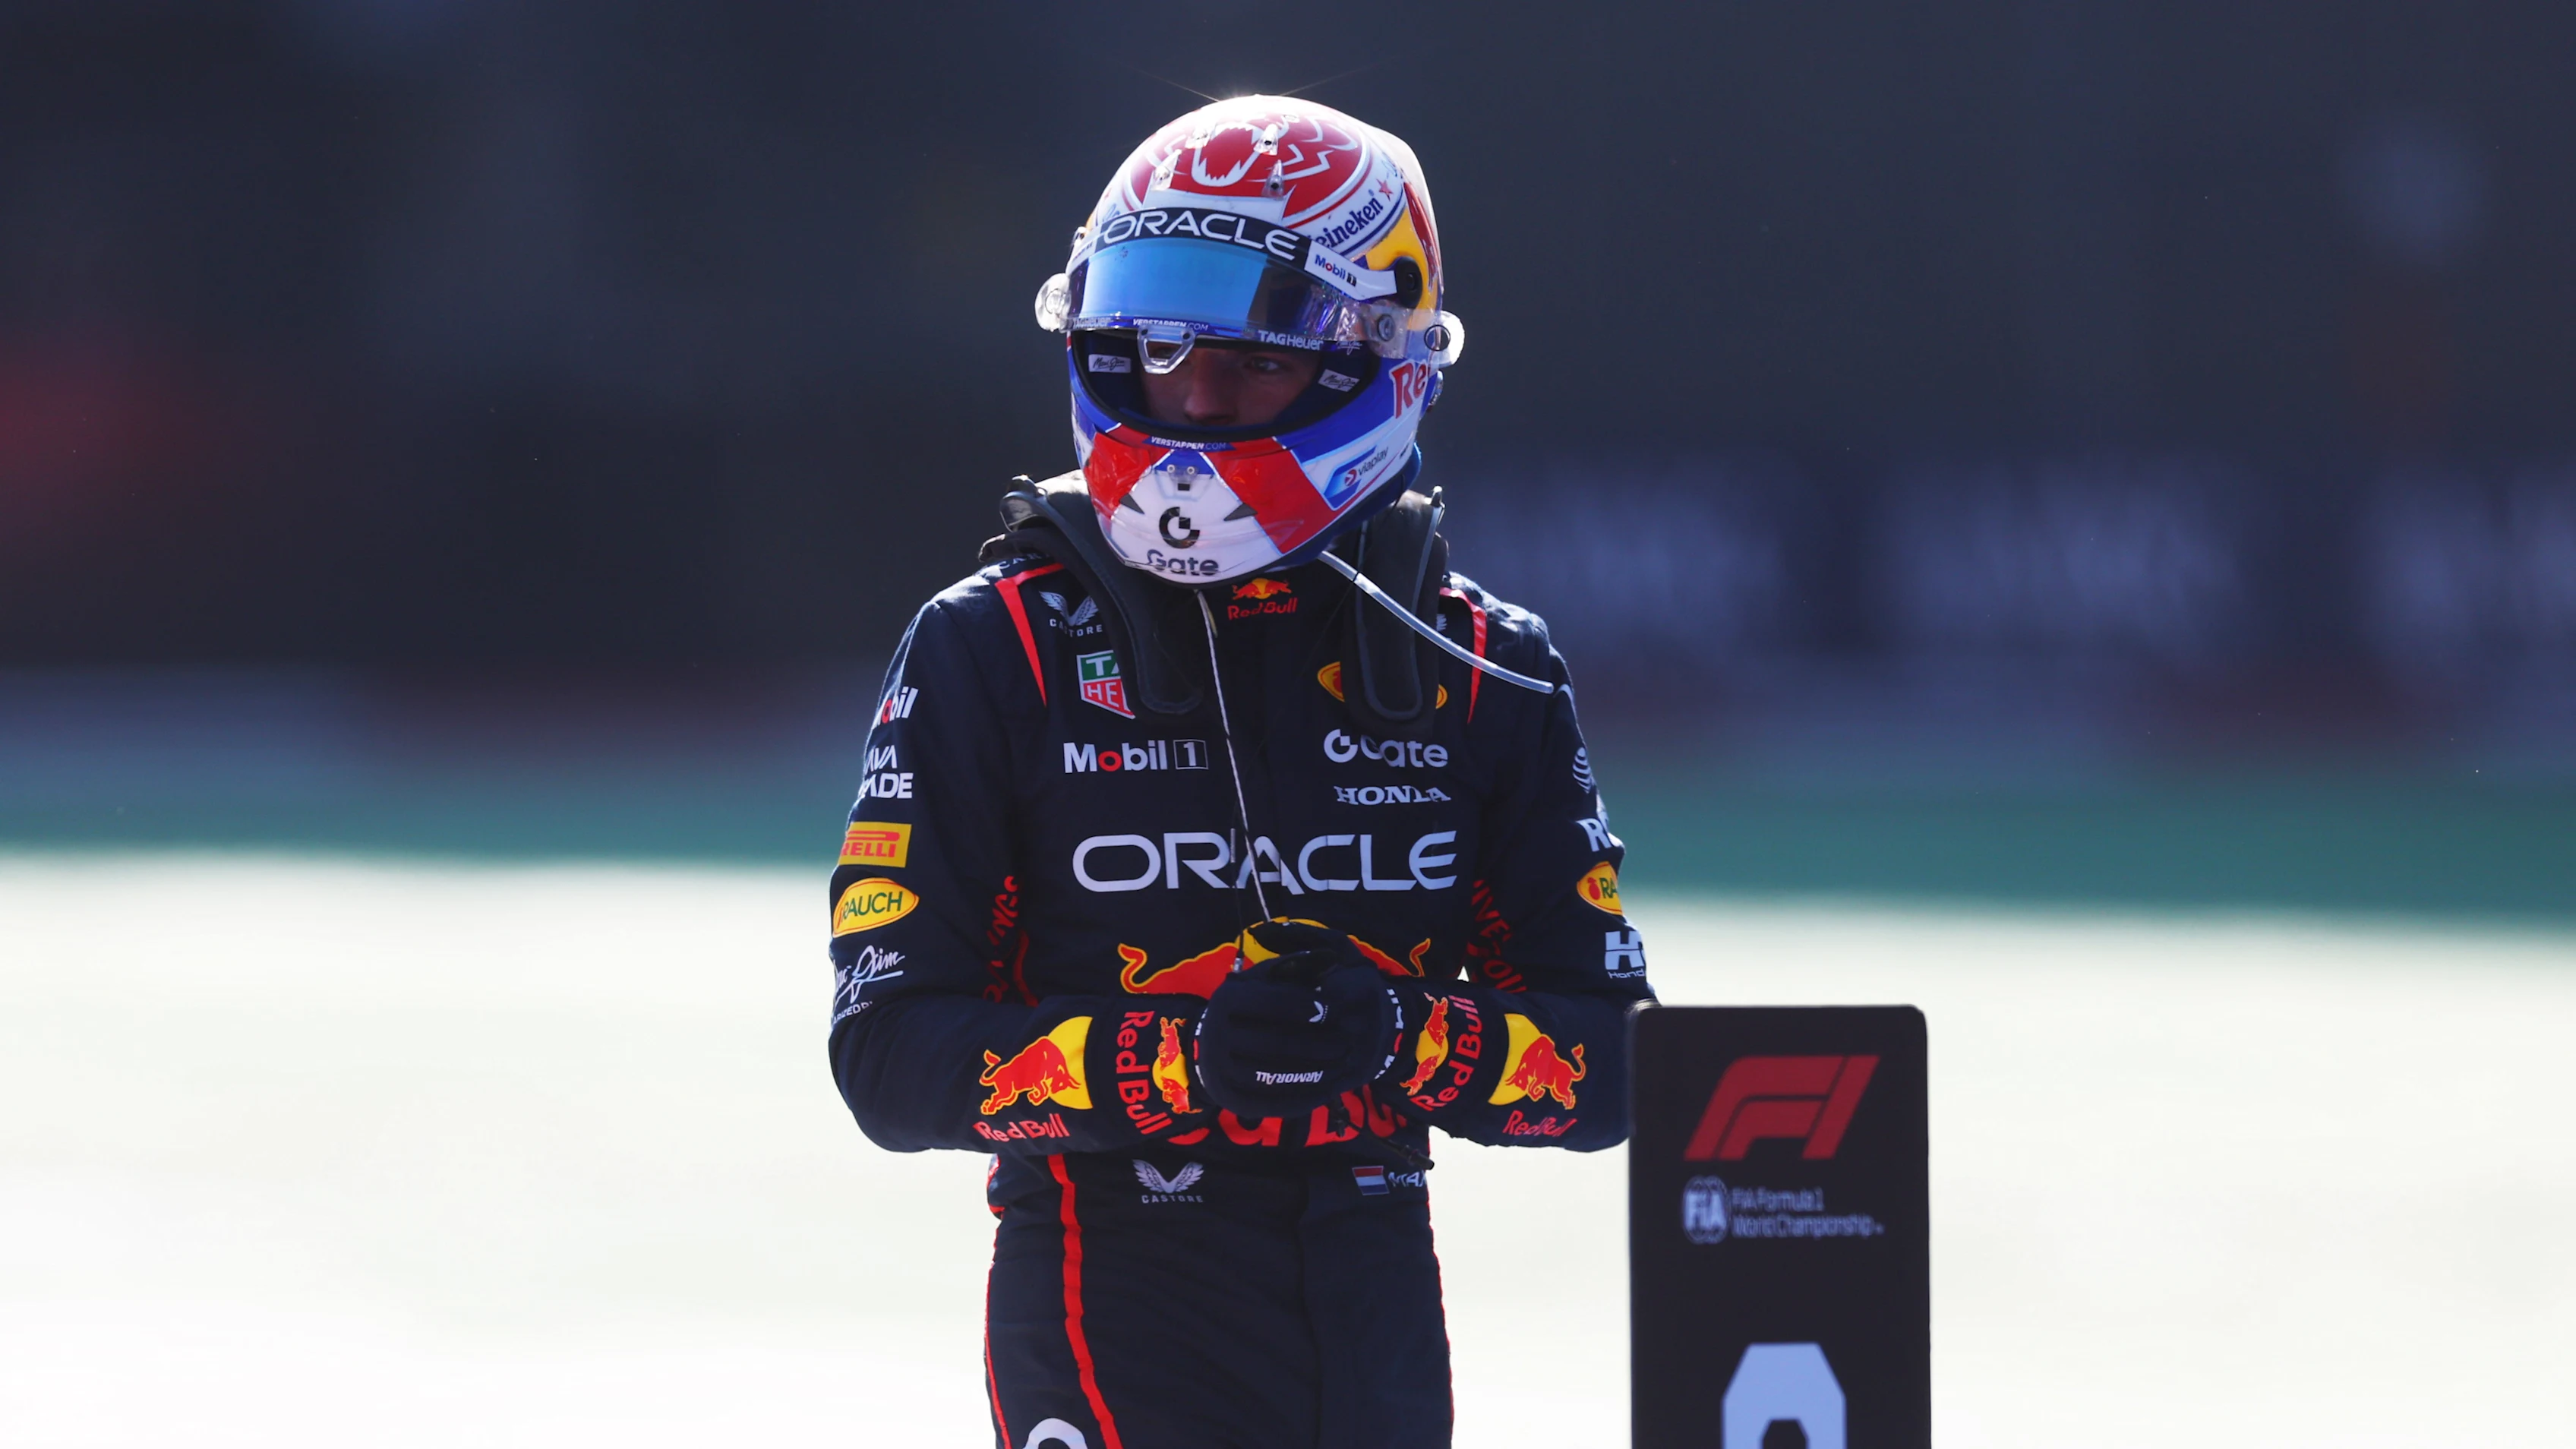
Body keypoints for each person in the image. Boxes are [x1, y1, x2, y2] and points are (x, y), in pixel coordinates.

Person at [826, 96, 1653, 1449]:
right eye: (1155, 353)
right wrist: (1179, 1065)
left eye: (1252, 360)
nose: (1193, 400)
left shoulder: (1485, 662)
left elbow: (1616, 1068)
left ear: (1382, 361)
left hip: (1378, 1314)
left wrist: (1403, 1037)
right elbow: (889, 1058)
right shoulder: (995, 646)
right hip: (1105, 1304)